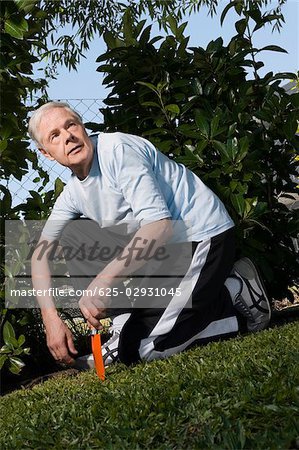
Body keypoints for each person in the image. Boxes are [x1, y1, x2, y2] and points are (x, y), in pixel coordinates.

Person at [30, 101, 271, 367]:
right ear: (47, 153)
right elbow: (40, 254)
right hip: (164, 254)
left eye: (71, 125)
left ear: (82, 127)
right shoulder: (73, 193)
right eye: (55, 136)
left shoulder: (118, 151)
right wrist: (50, 318)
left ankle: (234, 289)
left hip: (203, 238)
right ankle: (121, 329)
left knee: (145, 349)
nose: (68, 137)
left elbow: (159, 226)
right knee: (74, 233)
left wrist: (102, 281)